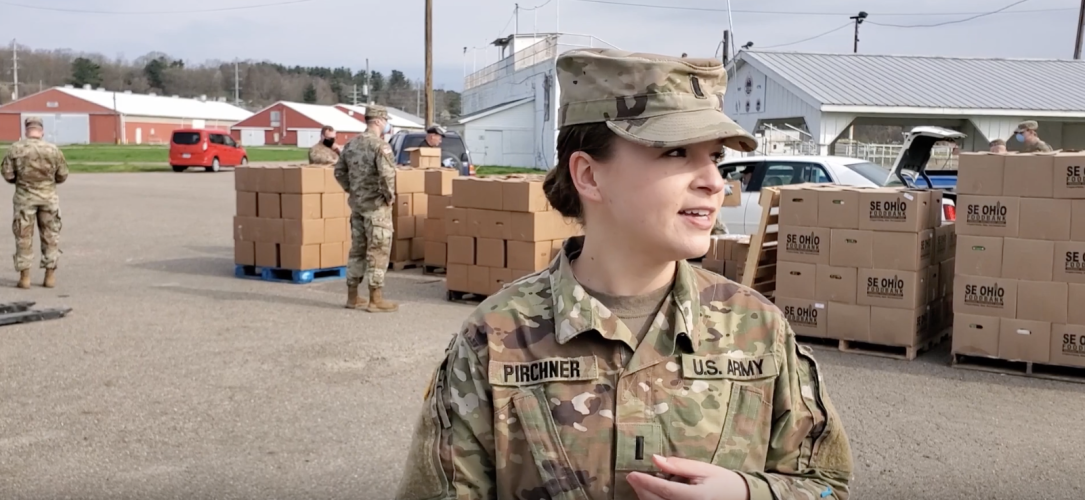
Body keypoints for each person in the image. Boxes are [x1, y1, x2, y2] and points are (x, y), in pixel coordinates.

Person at [394, 49, 853, 500]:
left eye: (713, 155)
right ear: (590, 176)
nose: (714, 180)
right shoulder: (495, 337)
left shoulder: (757, 327)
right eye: (675, 152)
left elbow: (827, 485)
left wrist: (748, 494)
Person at [333, 104, 399, 313]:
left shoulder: (351, 145)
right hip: (376, 208)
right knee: (378, 251)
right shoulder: (380, 146)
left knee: (357, 251)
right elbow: (388, 175)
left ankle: (352, 296)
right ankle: (375, 299)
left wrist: (352, 190)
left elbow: (339, 172)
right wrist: (389, 197)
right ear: (379, 121)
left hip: (358, 207)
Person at [1, 117, 69, 289]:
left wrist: (22, 181)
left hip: (24, 199)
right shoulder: (53, 150)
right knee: (50, 236)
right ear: (42, 131)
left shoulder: (15, 149)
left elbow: (7, 174)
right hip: (48, 198)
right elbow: (62, 175)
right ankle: (49, 276)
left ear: (26, 130)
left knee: (23, 236)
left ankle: (25, 278)